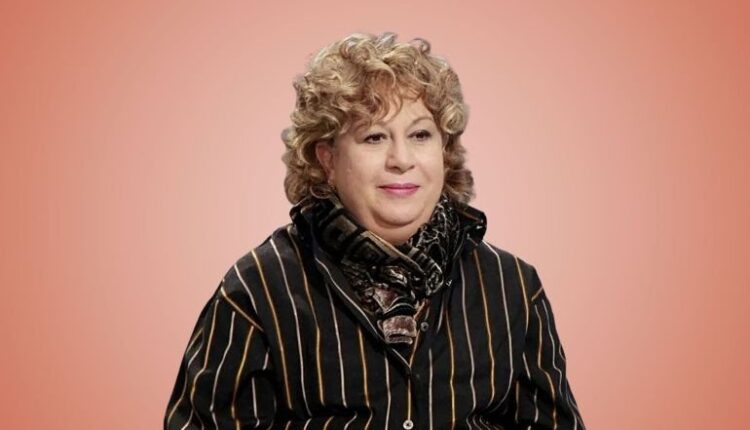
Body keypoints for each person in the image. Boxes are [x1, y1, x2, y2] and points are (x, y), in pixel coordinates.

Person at [164, 31, 586, 430]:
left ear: (444, 151)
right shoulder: (259, 289)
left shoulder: (512, 287)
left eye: (420, 134)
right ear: (327, 159)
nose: (401, 159)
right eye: (374, 137)